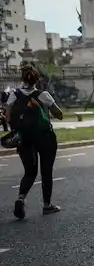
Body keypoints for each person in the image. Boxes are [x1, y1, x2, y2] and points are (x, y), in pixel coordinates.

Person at [3, 64, 64, 218]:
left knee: (30, 172)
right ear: (37, 79)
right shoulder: (43, 95)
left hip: (23, 139)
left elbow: (8, 117)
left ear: (22, 79)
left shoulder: (14, 96)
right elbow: (59, 114)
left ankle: (21, 198)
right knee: (46, 171)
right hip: (45, 138)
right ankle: (47, 205)